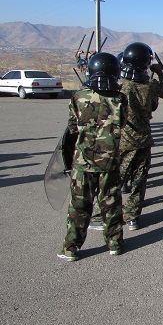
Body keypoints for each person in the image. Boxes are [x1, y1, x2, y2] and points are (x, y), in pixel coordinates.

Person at [57, 53, 128, 261]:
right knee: (111, 204)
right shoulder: (120, 99)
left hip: (83, 162)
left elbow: (72, 128)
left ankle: (71, 248)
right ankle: (115, 243)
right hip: (109, 162)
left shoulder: (79, 97)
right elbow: (122, 123)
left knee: (79, 206)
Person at [119, 42, 163, 231]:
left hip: (121, 140)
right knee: (139, 180)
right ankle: (132, 216)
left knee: (114, 180)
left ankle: (104, 214)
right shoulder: (149, 85)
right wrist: (160, 72)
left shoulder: (118, 84)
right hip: (142, 139)